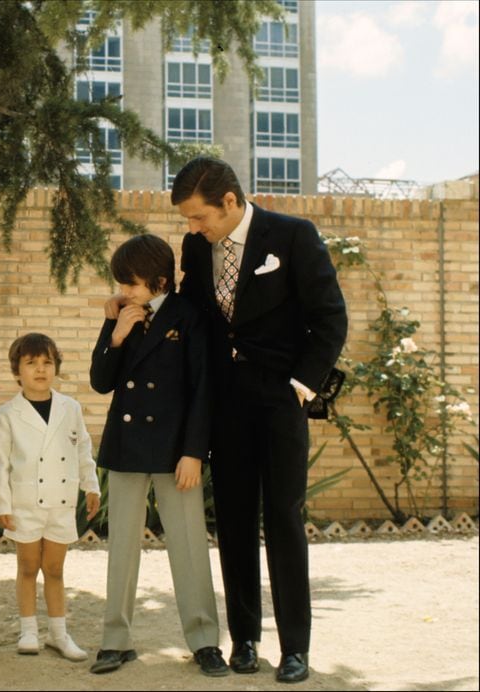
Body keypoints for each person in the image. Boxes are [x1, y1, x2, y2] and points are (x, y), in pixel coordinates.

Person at [173, 157, 348, 683]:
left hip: (280, 401)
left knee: (285, 520)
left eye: (199, 217)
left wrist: (299, 387)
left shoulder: (293, 236)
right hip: (224, 404)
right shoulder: (195, 248)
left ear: (230, 202)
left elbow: (330, 317)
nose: (192, 229)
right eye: (187, 221)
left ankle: (295, 646)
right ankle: (245, 640)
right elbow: (194, 315)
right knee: (233, 521)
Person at [90, 233, 227, 677]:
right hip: (127, 447)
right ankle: (116, 641)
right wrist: (117, 333)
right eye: (121, 283)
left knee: (188, 545)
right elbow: (100, 381)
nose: (124, 291)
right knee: (122, 548)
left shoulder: (189, 316)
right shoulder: (121, 316)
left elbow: (204, 388)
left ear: (160, 279)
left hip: (175, 452)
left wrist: (193, 453)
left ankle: (205, 640)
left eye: (131, 283)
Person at [0, 333, 100, 662]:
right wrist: (3, 506)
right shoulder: (8, 414)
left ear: (56, 369)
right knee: (27, 567)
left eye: (47, 363)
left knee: (54, 569)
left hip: (61, 502)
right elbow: (1, 463)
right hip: (24, 504)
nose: (40, 370)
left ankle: (58, 633)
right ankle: (27, 630)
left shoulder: (70, 408)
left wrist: (91, 485)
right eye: (31, 363)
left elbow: (83, 449)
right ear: (17, 371)